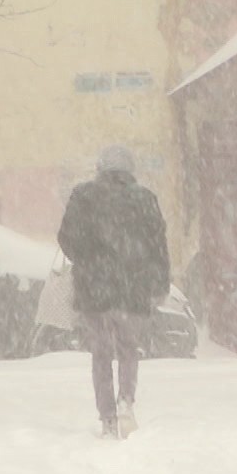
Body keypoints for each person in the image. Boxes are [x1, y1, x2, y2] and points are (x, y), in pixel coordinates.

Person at [57, 145, 170, 438]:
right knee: (128, 348)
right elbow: (158, 246)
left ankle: (107, 418)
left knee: (101, 352)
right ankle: (126, 400)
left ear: (100, 168)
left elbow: (67, 239)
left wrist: (88, 260)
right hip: (132, 289)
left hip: (94, 290)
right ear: (130, 171)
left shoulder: (83, 197)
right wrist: (160, 284)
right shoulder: (144, 199)